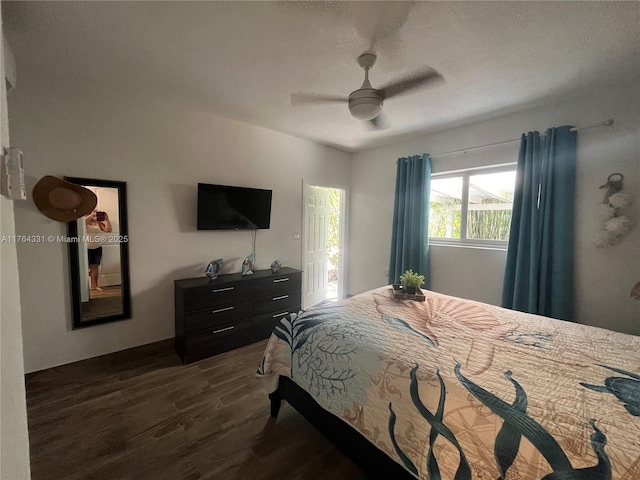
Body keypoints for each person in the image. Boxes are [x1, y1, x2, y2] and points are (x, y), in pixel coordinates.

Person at [85, 209, 112, 291]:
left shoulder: (97, 221)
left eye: (95, 210)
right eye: (93, 210)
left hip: (97, 247)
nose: (95, 211)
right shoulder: (83, 219)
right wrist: (91, 216)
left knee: (95, 267)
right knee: (84, 268)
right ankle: (84, 287)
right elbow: (84, 223)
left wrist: (107, 220)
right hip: (86, 247)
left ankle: (95, 285)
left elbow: (108, 230)